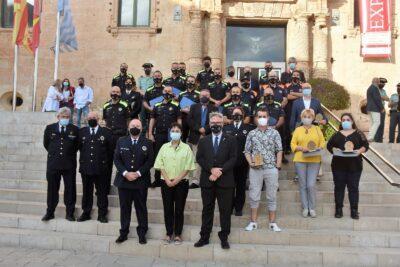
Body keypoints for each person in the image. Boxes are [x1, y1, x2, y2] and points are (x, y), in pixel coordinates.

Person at [194, 112, 237, 250]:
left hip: (226, 181)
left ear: (223, 124)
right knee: (207, 210)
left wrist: (220, 171)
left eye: (218, 123)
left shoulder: (231, 139)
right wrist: (211, 169)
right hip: (207, 180)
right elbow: (199, 158)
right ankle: (204, 237)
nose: (215, 125)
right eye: (213, 123)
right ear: (209, 124)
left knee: (225, 211)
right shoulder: (203, 140)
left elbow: (234, 158)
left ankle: (224, 237)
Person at [153, 123, 196, 244]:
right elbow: (159, 164)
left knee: (179, 209)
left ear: (181, 133)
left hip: (181, 183)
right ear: (170, 132)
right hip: (166, 182)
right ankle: (168, 233)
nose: (175, 132)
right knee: (167, 208)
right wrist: (167, 179)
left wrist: (177, 180)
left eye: (177, 131)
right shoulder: (164, 147)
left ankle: (177, 234)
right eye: (173, 130)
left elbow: (189, 166)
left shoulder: (187, 148)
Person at [114, 119, 154, 244]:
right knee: (124, 208)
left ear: (141, 129)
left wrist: (138, 173)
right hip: (124, 181)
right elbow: (117, 159)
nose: (135, 127)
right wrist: (125, 173)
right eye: (132, 125)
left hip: (140, 181)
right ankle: (123, 233)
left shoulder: (147, 142)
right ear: (128, 127)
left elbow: (150, 161)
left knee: (141, 208)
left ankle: (142, 233)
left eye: (137, 126)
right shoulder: (121, 141)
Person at [244, 108, 283, 232]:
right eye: (259, 116)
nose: (262, 118)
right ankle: (253, 222)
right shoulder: (252, 134)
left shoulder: (274, 133)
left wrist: (278, 166)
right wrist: (251, 163)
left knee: (272, 195)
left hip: (271, 169)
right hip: (256, 169)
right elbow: (247, 151)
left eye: (264, 116)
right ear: (256, 118)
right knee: (254, 195)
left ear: (268, 117)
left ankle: (272, 223)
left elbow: (279, 150)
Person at [327, 113, 369, 220]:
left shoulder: (358, 133)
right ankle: (338, 209)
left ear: (352, 121)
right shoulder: (336, 134)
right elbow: (329, 145)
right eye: (343, 120)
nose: (345, 121)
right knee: (339, 188)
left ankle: (354, 210)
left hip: (355, 166)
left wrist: (359, 151)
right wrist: (334, 150)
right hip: (338, 166)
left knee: (353, 188)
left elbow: (366, 145)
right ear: (341, 122)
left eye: (348, 119)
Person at [42, 107, 79, 221]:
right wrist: (55, 154)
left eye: (67, 117)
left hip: (69, 164)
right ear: (58, 117)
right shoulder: (50, 128)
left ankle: (70, 213)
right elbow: (46, 144)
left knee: (70, 189)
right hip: (53, 164)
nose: (65, 119)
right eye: (63, 117)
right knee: (52, 189)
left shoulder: (74, 129)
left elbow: (77, 146)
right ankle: (50, 212)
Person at [77, 111, 112, 223]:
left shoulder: (106, 132)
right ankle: (86, 212)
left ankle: (102, 214)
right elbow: (78, 147)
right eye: (90, 117)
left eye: (94, 117)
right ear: (87, 119)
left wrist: (106, 164)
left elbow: (110, 150)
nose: (92, 119)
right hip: (86, 167)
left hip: (101, 168)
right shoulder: (82, 132)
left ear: (98, 119)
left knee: (102, 192)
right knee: (87, 191)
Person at [291, 109, 325, 218]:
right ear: (301, 118)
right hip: (300, 159)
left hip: (314, 159)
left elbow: (323, 142)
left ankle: (312, 207)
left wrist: (319, 147)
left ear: (313, 118)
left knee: (311, 184)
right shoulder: (298, 130)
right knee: (303, 184)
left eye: (309, 117)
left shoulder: (317, 129)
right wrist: (299, 147)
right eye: (305, 116)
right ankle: (305, 207)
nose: (307, 118)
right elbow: (292, 144)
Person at [148, 86, 182, 188]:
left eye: (169, 91)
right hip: (158, 134)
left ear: (172, 93)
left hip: (171, 135)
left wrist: (179, 134)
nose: (167, 93)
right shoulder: (157, 104)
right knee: (159, 157)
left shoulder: (176, 105)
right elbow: (152, 119)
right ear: (162, 92)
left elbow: (179, 120)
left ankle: (171, 178)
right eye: (165, 91)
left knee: (171, 157)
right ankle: (157, 179)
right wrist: (150, 133)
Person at [223, 107, 253, 216]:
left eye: (239, 113)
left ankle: (239, 208)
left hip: (243, 162)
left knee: (241, 186)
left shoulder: (248, 128)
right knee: (230, 186)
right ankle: (229, 207)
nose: (237, 115)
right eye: (235, 113)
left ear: (243, 115)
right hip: (229, 163)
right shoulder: (226, 128)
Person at [187, 89, 218, 189]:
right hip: (196, 136)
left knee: (210, 158)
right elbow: (189, 120)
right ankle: (195, 181)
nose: (204, 97)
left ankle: (208, 178)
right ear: (199, 96)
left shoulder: (214, 108)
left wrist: (205, 129)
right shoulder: (193, 107)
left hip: (209, 136)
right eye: (202, 95)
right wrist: (199, 128)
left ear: (209, 97)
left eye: (206, 95)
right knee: (197, 159)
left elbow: (215, 121)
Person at [102, 86, 130, 194]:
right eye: (113, 91)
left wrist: (128, 134)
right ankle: (105, 187)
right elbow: (104, 120)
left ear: (120, 93)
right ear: (110, 92)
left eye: (117, 92)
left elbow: (128, 120)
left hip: (121, 137)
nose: (115, 93)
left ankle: (122, 186)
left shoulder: (125, 105)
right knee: (107, 162)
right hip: (108, 137)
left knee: (121, 162)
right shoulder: (106, 105)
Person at [284, 70, 303, 153]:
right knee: (289, 128)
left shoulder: (302, 86)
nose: (295, 76)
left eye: (297, 75)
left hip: (299, 111)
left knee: (299, 128)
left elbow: (304, 95)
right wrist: (298, 95)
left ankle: (298, 147)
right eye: (294, 75)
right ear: (292, 77)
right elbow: (288, 96)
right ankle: (288, 147)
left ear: (299, 77)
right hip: (289, 111)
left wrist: (294, 94)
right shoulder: (288, 86)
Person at [178, 75, 200, 142]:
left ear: (195, 82)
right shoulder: (181, 94)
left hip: (194, 118)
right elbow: (179, 107)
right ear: (186, 82)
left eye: (192, 81)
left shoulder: (199, 93)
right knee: (183, 137)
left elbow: (200, 107)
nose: (190, 83)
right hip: (184, 118)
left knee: (194, 138)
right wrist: (181, 109)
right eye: (188, 81)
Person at [366, 77, 385, 142]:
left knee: (372, 123)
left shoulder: (369, 88)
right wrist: (382, 108)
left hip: (369, 108)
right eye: (379, 82)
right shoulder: (375, 88)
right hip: (375, 109)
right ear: (376, 82)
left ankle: (369, 137)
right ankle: (370, 137)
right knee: (377, 122)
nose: (379, 83)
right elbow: (377, 99)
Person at [374, 78, 389, 142]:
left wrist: (381, 97)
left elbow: (387, 99)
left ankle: (380, 139)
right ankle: (375, 139)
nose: (383, 84)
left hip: (382, 108)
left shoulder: (383, 91)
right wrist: (382, 97)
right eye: (382, 83)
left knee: (381, 124)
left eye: (384, 83)